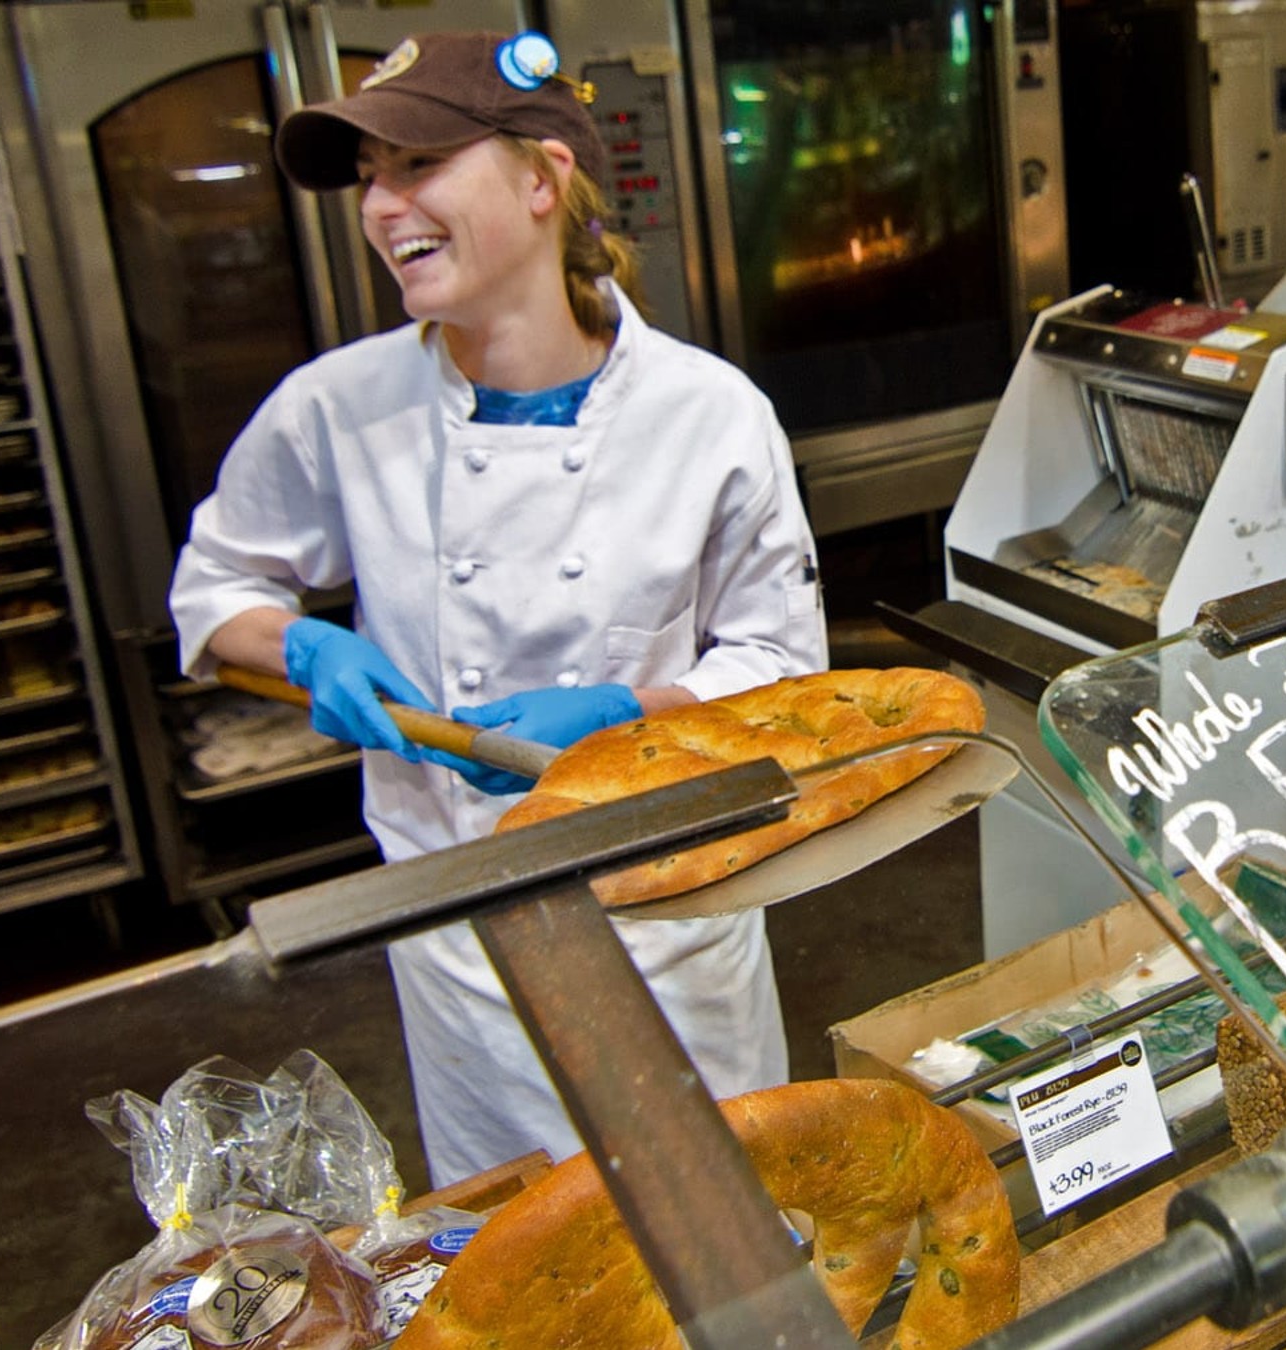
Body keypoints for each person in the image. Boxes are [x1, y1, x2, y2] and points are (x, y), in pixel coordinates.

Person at [168, 30, 825, 1186]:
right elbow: (216, 593)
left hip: (665, 907)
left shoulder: (711, 415)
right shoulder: (338, 407)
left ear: (540, 180)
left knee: (728, 1233)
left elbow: (784, 666)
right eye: (369, 178)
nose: (381, 206)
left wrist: (633, 708)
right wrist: (302, 645)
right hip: (460, 933)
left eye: (416, 165)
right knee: (523, 1251)